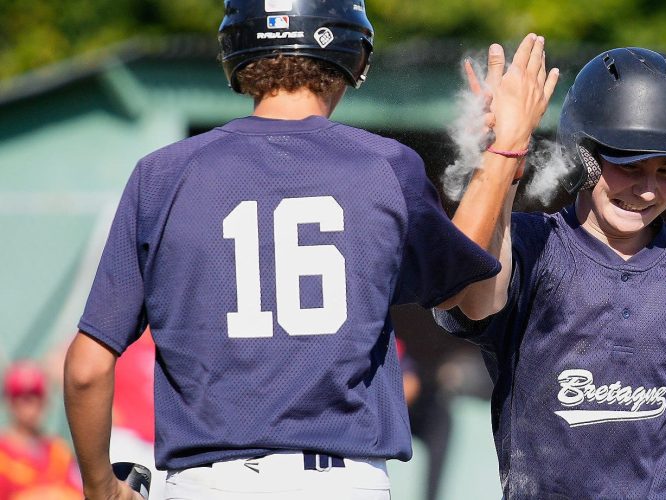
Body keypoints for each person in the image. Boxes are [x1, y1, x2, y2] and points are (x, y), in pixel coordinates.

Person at [61, 3, 550, 499]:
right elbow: (461, 283)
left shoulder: (160, 176)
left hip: (207, 483)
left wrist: (103, 488)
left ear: (238, 51)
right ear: (351, 53)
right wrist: (506, 146)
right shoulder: (383, 166)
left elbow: (87, 369)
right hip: (340, 481)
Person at [435, 46, 666, 498]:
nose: (647, 190)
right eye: (629, 167)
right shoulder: (534, 245)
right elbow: (475, 298)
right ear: (586, 158)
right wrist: (503, 154)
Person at [0, 361, 82, 499]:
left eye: (36, 397)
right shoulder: (3, 453)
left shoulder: (58, 451)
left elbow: (76, 494)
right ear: (10, 402)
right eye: (23, 398)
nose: (31, 407)